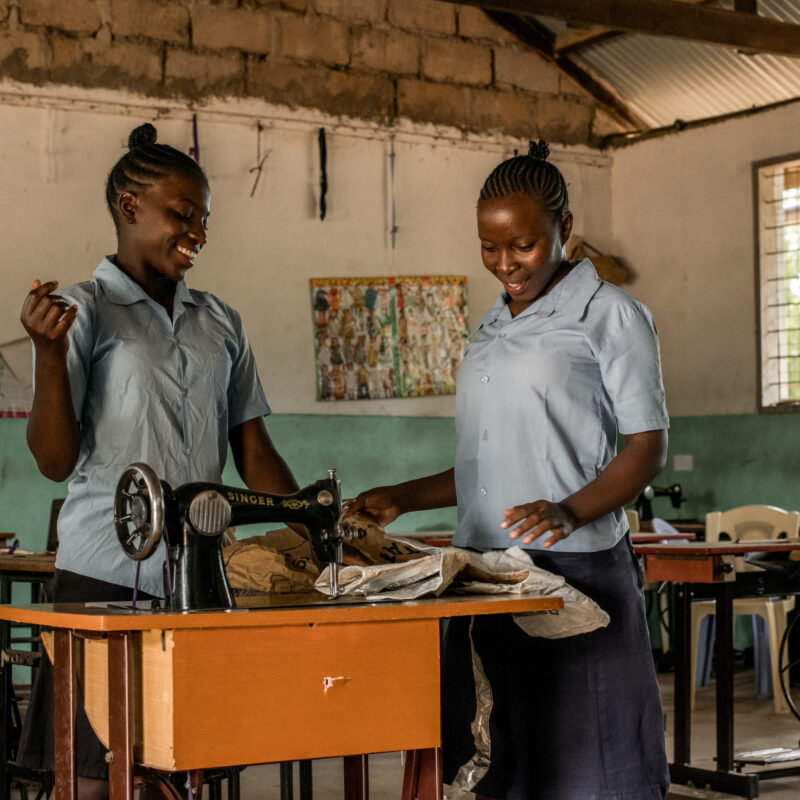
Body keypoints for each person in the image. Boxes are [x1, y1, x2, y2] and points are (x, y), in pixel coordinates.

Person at [347, 140, 670, 800]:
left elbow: (647, 445)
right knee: (505, 763)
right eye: (489, 247)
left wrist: (570, 510)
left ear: (564, 227)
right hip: (485, 572)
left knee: (590, 769)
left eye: (522, 245)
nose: (504, 264)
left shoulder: (610, 314)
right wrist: (403, 496)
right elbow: (486, 463)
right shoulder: (492, 326)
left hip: (575, 572)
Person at [18, 123, 303, 800]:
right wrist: (50, 356)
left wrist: (312, 528)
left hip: (198, 579)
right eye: (183, 215)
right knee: (91, 781)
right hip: (103, 575)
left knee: (179, 770)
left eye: (204, 221)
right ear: (129, 207)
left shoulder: (220, 322)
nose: (198, 234)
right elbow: (53, 461)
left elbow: (253, 450)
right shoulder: (82, 312)